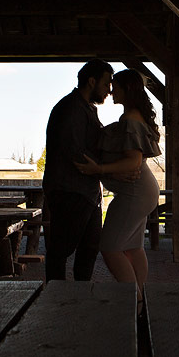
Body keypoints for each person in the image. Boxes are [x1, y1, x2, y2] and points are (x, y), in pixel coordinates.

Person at [75, 69, 161, 310]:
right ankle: (139, 300)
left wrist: (98, 169)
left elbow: (133, 161)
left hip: (135, 192)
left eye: (116, 86)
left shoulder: (131, 119)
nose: (112, 91)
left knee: (110, 247)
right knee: (132, 247)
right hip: (143, 191)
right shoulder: (134, 116)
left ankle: (135, 300)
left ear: (127, 90)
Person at [42, 59, 113, 281]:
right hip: (70, 191)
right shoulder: (71, 108)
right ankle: (56, 298)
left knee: (89, 249)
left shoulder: (85, 108)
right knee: (61, 250)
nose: (109, 90)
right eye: (106, 83)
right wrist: (108, 169)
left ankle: (80, 298)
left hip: (86, 193)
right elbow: (75, 151)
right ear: (91, 81)